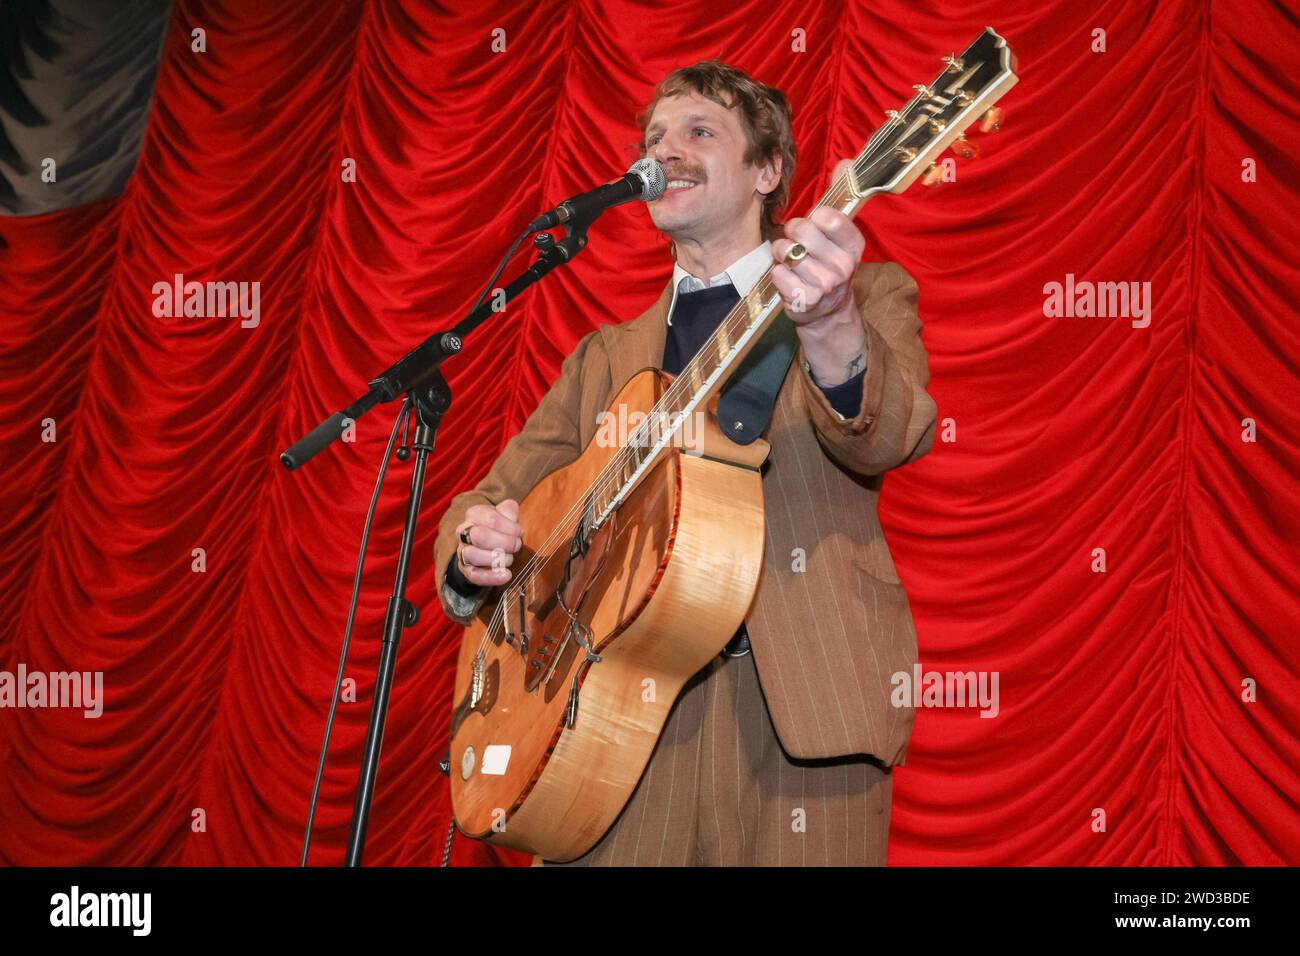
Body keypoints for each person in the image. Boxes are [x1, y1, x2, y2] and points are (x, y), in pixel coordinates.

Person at [434, 60, 936, 866]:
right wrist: (475, 547)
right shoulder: (602, 357)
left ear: (767, 171)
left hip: (802, 718)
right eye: (655, 137)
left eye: (700, 132)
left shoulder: (865, 293)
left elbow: (889, 435)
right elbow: (490, 500)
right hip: (606, 729)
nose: (666, 150)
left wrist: (834, 325)